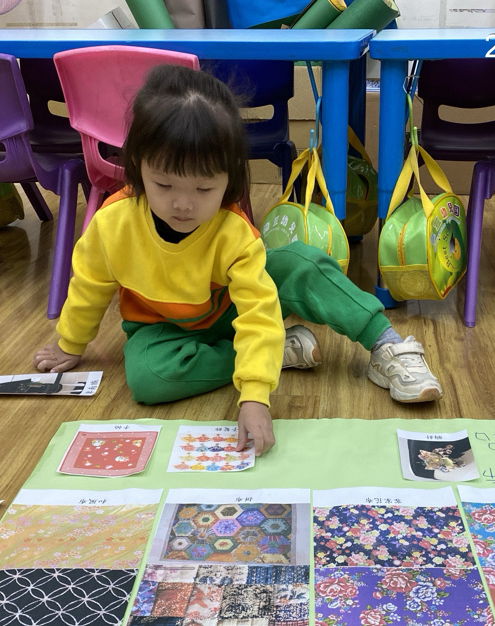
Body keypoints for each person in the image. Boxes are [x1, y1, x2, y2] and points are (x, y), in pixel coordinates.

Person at [34, 65, 444, 456]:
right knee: (147, 378)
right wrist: (71, 342)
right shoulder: (112, 224)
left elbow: (257, 311)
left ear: (230, 178)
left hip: (232, 309)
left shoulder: (233, 231)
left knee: (301, 262)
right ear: (138, 167)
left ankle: (387, 345)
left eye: (203, 189)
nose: (182, 204)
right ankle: (274, 352)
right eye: (164, 184)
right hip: (164, 327)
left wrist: (255, 397)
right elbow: (89, 285)